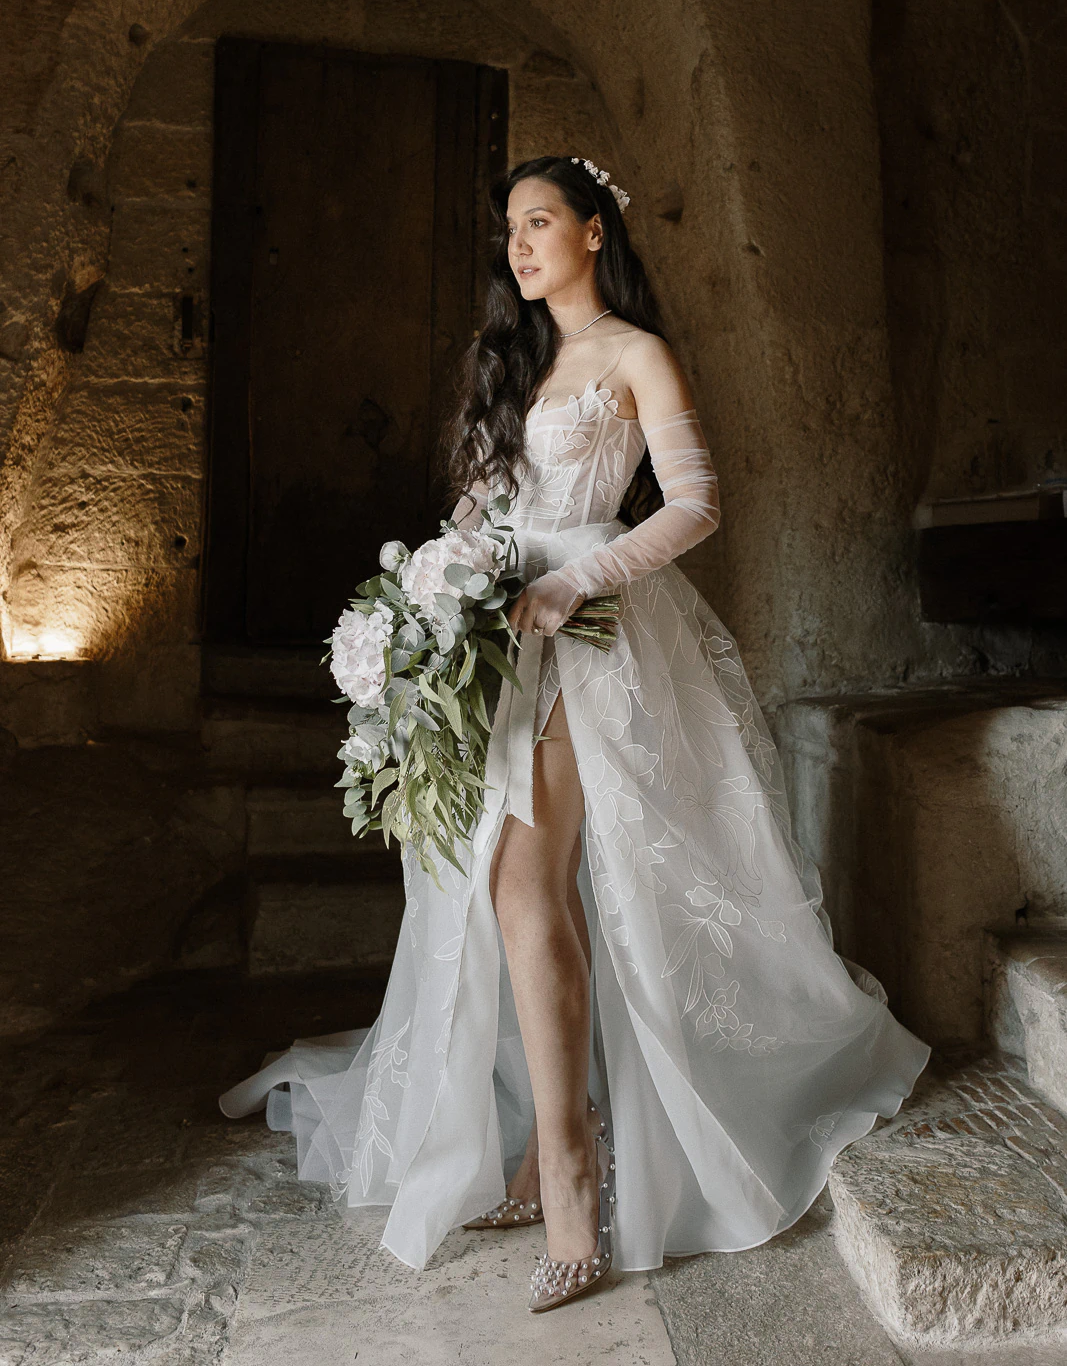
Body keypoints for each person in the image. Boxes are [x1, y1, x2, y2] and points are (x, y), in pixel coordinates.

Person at [220, 153, 929, 1313]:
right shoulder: (516, 364)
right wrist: (440, 588)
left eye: (539, 221)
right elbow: (487, 509)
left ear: (594, 232)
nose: (519, 243)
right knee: (513, 895)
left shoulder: (634, 354)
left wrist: (574, 581)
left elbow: (695, 502)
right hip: (496, 638)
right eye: (509, 227)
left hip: (589, 635)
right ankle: (554, 1140)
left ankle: (569, 1173)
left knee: (521, 890)